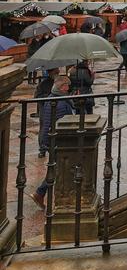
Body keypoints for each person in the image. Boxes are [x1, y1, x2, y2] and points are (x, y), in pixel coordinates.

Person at [30, 75, 74, 209]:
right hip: (55, 140)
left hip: (49, 138)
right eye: (68, 86)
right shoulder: (60, 102)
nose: (69, 88)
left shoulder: (53, 97)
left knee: (56, 167)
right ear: (63, 87)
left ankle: (42, 193)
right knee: (58, 168)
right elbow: (64, 122)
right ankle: (41, 192)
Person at [35, 68, 60, 157]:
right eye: (55, 71)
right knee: (44, 128)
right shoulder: (43, 84)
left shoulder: (59, 82)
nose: (58, 72)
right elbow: (37, 96)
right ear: (50, 72)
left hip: (57, 108)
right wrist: (49, 95)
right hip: (45, 109)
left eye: (58, 71)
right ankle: (42, 149)